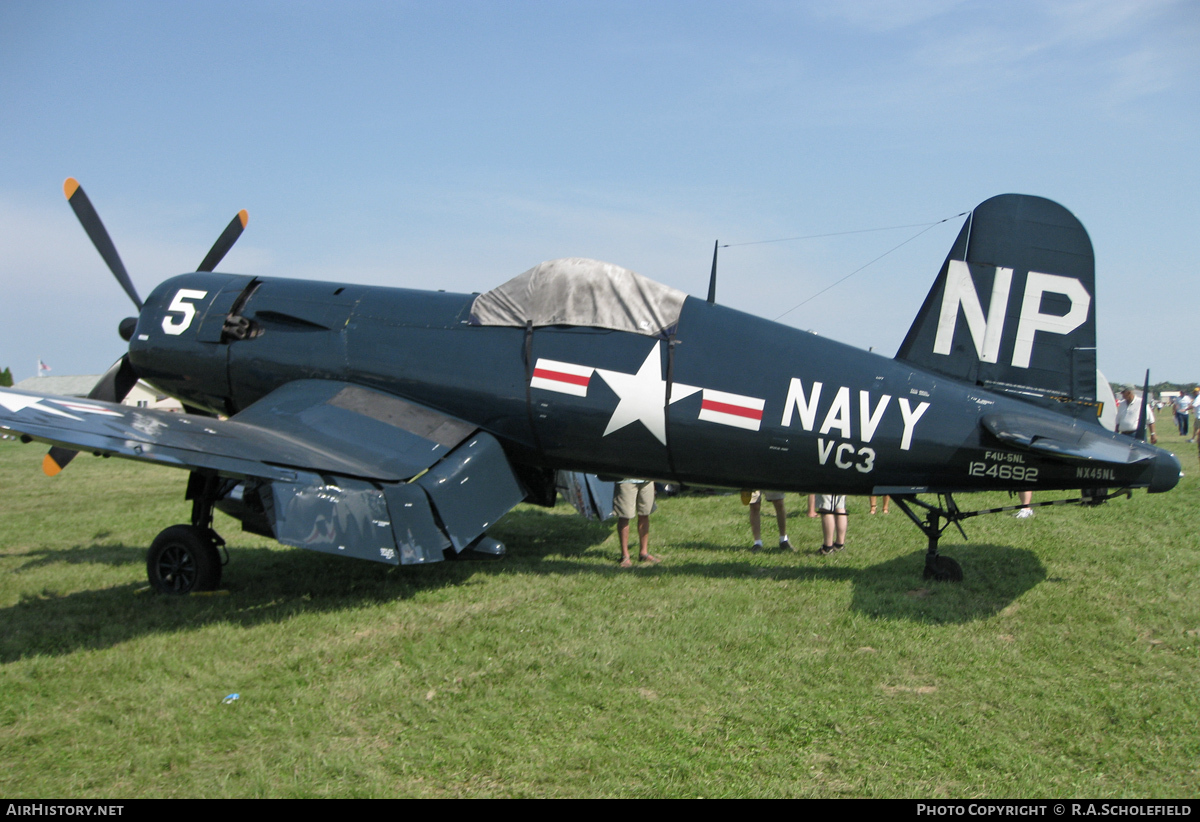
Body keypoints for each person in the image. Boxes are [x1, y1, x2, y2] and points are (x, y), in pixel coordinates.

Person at [614, 479, 658, 567]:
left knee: (645, 514)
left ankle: (644, 553)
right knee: (624, 516)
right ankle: (625, 556)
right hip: (626, 479)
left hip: (646, 479)